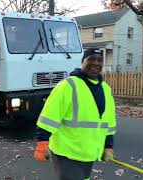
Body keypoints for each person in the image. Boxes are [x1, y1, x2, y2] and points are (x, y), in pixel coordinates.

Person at [34, 48, 116, 180]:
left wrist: (108, 147)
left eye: (100, 60)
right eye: (91, 59)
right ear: (83, 62)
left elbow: (109, 123)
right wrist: (42, 144)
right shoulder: (67, 86)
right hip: (66, 153)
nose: (96, 63)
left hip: (88, 154)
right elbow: (49, 117)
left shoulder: (106, 89)